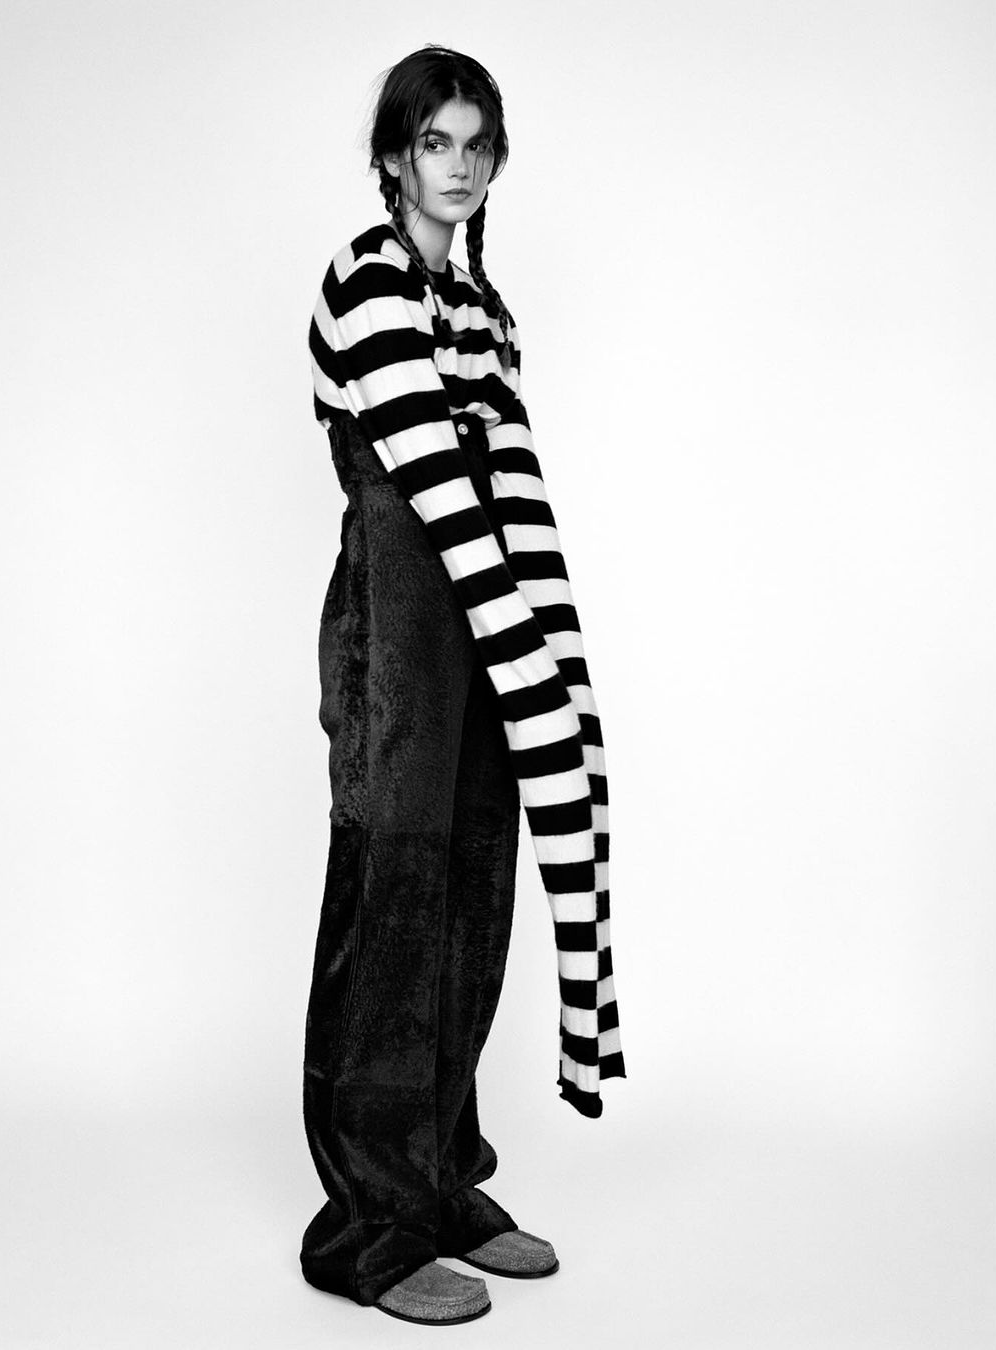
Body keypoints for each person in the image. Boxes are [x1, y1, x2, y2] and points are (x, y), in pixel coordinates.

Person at [301, 44, 625, 1326]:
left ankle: (437, 1183)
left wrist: (544, 669)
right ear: (395, 156)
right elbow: (434, 483)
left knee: (472, 905)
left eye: (476, 143)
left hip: (492, 631)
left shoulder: (489, 315)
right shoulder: (366, 280)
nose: (458, 164)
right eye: (436, 141)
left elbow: (516, 511)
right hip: (403, 627)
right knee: (392, 913)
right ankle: (364, 1230)